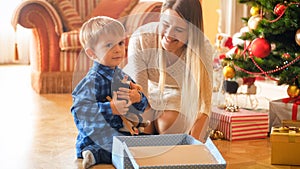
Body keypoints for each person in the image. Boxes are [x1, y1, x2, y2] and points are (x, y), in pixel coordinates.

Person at [123, 0, 216, 142]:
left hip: (181, 95)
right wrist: (143, 125)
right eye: (165, 25)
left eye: (179, 30)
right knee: (142, 128)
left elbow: (204, 101)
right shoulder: (141, 39)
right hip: (146, 92)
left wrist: (194, 141)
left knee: (169, 127)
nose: (169, 35)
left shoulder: (203, 47)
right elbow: (140, 94)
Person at [71, 16, 148, 168]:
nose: (118, 49)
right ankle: (93, 153)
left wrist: (138, 98)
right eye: (109, 45)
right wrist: (111, 108)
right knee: (126, 149)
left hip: (118, 133)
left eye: (120, 43)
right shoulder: (92, 81)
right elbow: (79, 111)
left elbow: (142, 107)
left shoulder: (123, 76)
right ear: (92, 53)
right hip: (96, 137)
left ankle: (105, 152)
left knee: (145, 144)